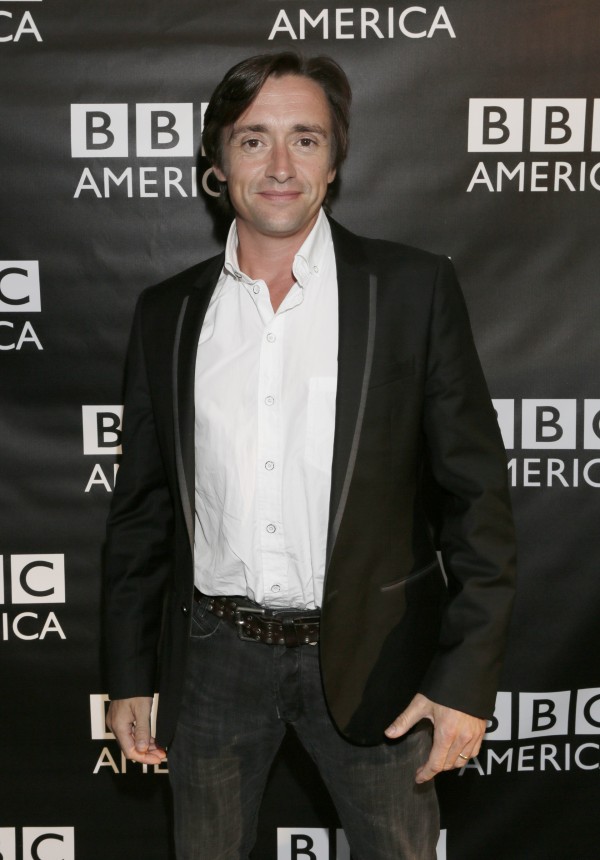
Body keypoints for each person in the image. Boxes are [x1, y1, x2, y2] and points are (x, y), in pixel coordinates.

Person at [103, 52, 516, 859]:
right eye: (253, 139)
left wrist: (466, 681)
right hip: (212, 660)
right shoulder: (167, 314)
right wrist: (127, 676)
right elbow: (141, 511)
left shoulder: (411, 290)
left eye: (306, 139)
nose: (281, 166)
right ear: (218, 163)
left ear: (334, 163)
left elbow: (478, 503)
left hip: (376, 654)